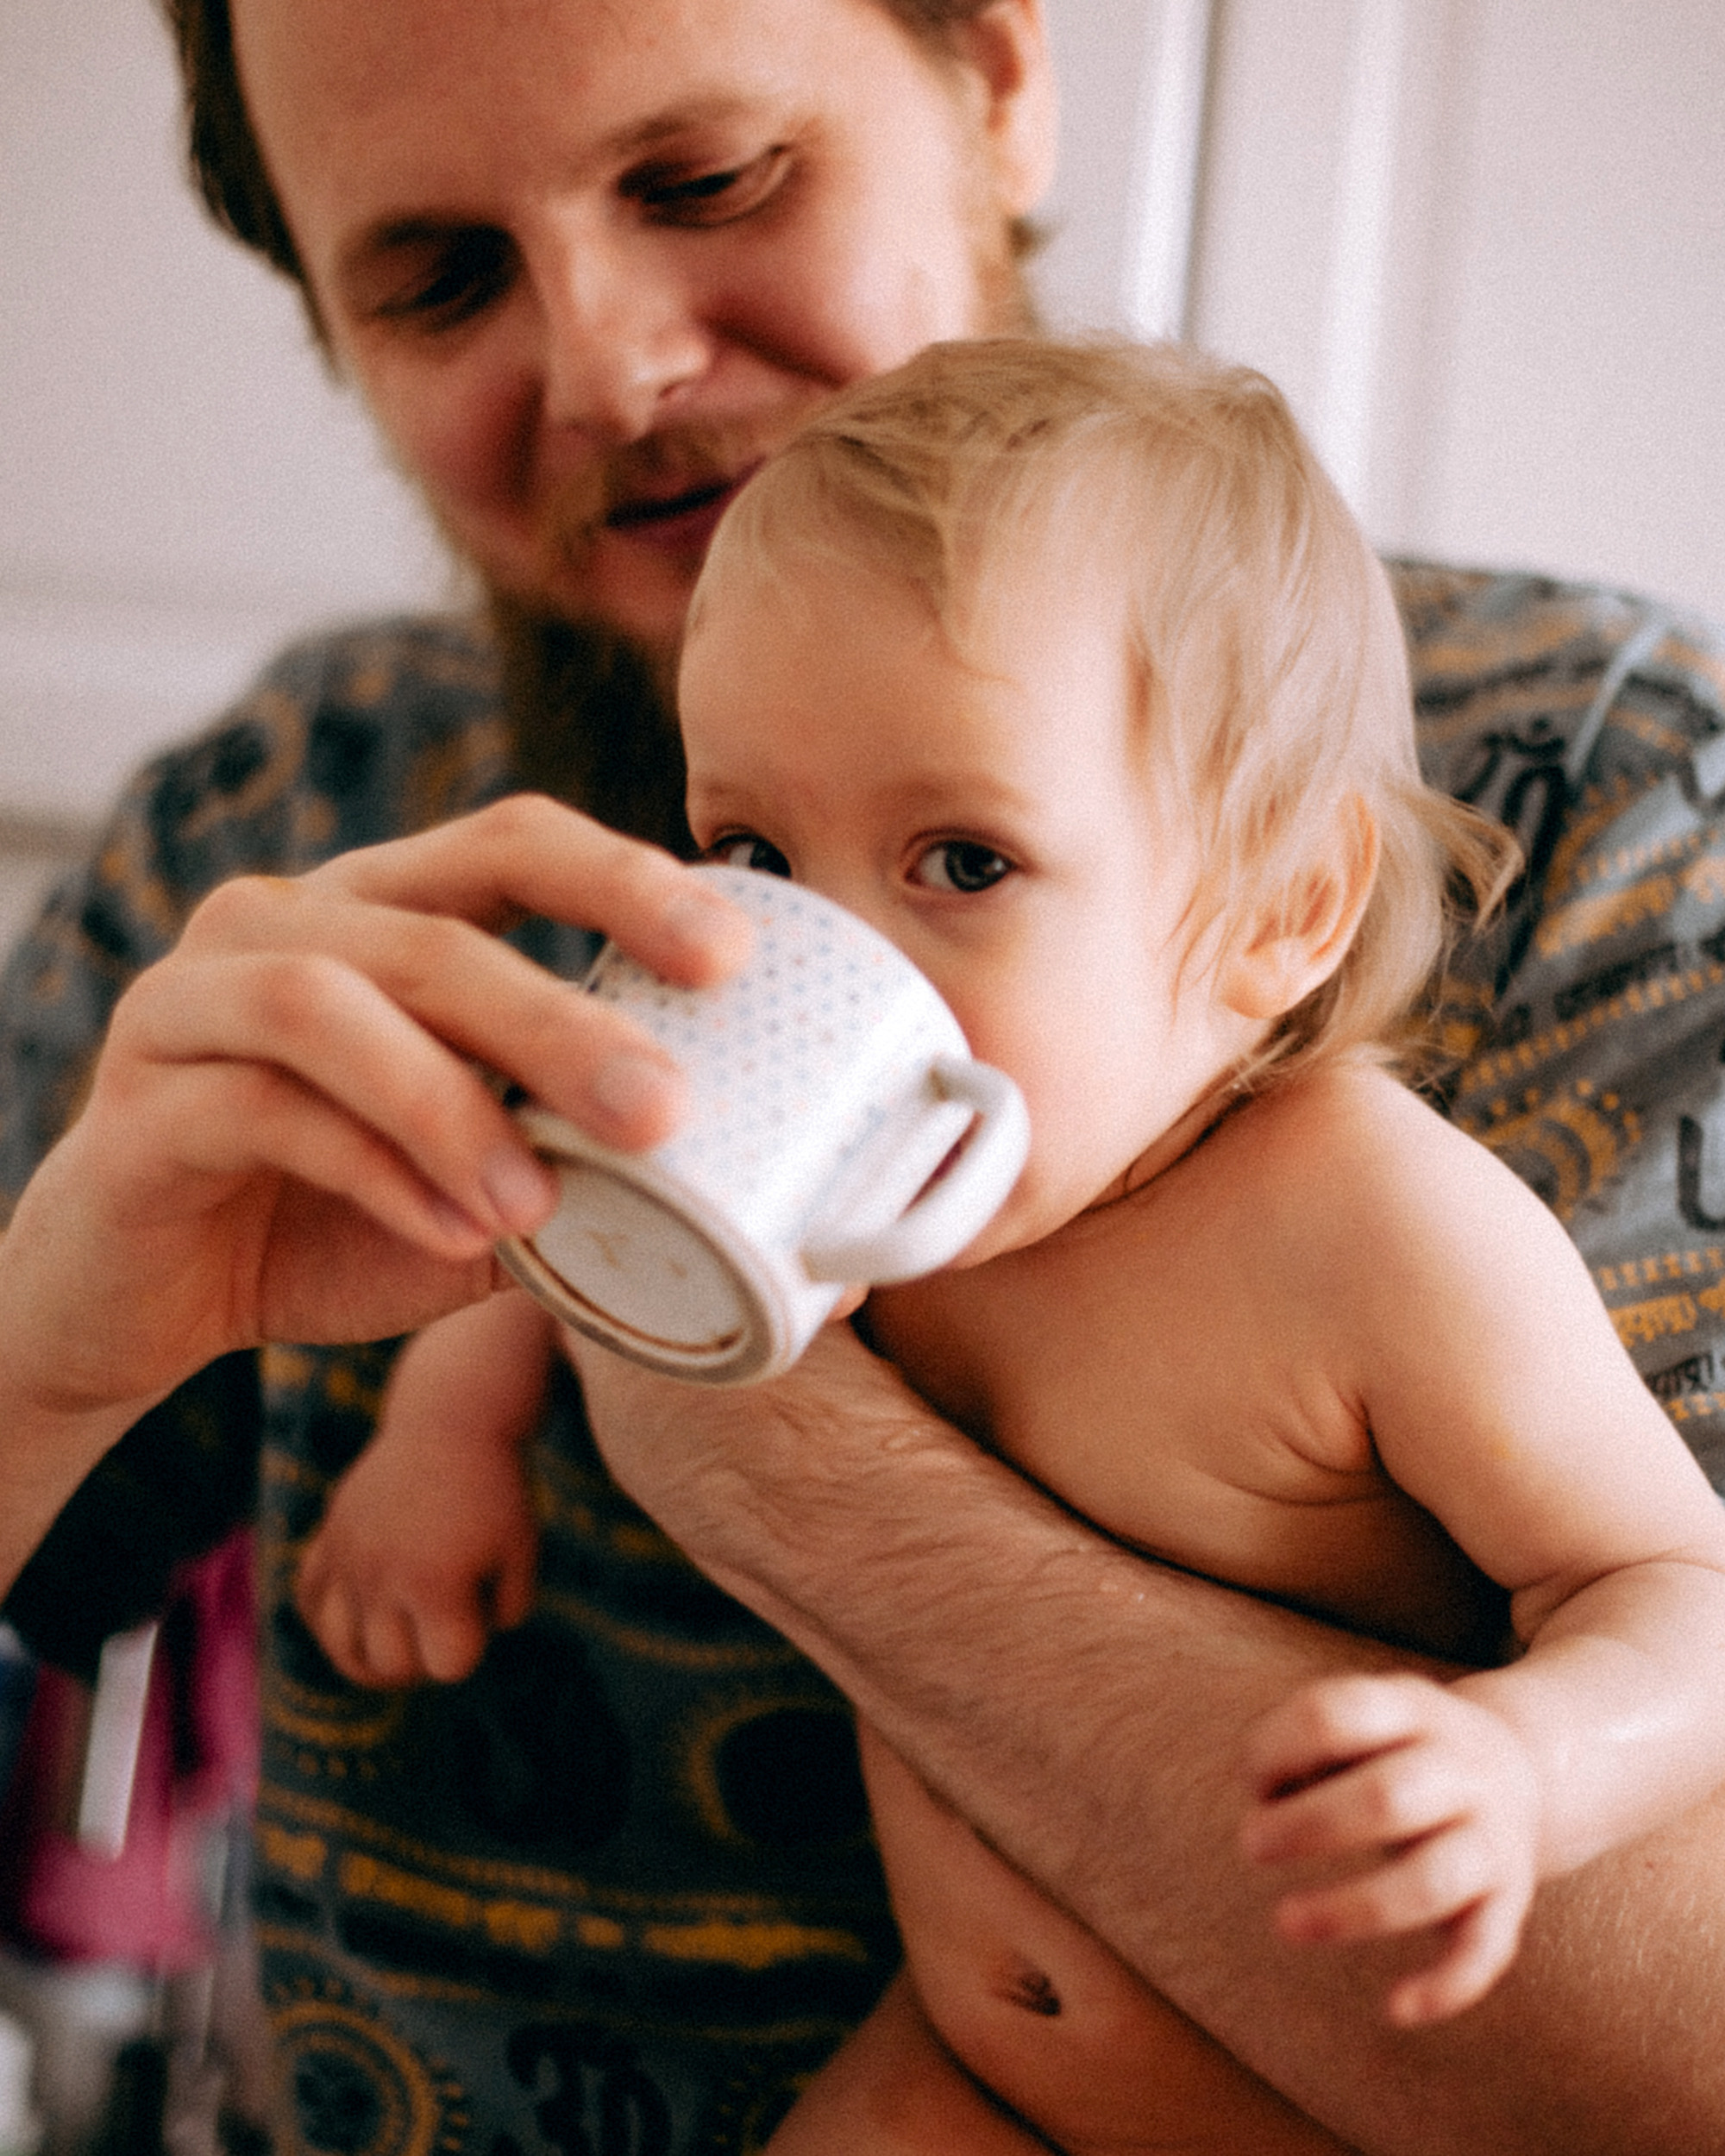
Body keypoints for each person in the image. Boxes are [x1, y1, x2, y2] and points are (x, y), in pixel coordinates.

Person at [3, 1, 1725, 2150]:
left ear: (997, 78)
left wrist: (762, 1448)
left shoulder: (1606, 839)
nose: (615, 368)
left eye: (709, 180)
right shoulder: (285, 826)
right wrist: (56, 1358)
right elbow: (530, 1268)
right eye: (443, 277)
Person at [294, 339, 1725, 2155]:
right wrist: (446, 1429)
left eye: (962, 862)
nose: (821, 961)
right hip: (963, 2069)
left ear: (1282, 908)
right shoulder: (871, 1162)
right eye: (753, 848)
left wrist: (1529, 1767)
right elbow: (574, 1237)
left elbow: (1681, 1596)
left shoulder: (1369, 1226)